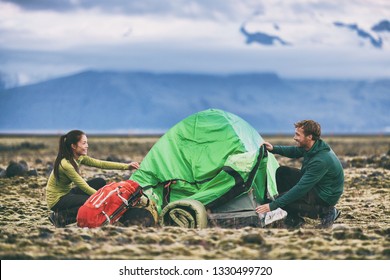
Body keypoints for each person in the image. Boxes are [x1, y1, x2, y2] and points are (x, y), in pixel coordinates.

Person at [256, 120, 344, 228]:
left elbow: (301, 188)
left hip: (324, 196)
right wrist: (274, 149)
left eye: (298, 135)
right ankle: (295, 219)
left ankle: (326, 211)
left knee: (285, 200)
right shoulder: (313, 146)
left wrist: (273, 205)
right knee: (282, 172)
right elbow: (295, 151)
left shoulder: (320, 160)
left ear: (309, 137)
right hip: (317, 186)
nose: (294, 137)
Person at [46, 130, 139, 227]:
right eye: (84, 143)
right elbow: (84, 187)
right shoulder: (66, 165)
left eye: (87, 142)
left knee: (100, 181)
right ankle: (60, 217)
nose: (87, 146)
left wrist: (127, 166)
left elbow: (101, 164)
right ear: (73, 146)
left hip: (67, 194)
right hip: (57, 200)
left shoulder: (79, 157)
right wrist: (103, 200)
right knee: (89, 201)